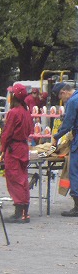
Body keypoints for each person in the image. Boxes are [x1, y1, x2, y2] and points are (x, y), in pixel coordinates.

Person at [0, 83, 34, 223]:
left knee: (15, 179)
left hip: (14, 148)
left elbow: (7, 133)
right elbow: (30, 130)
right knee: (23, 179)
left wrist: (3, 149)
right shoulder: (26, 111)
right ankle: (24, 211)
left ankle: (19, 212)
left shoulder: (14, 112)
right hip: (23, 147)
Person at [51, 82, 78, 217]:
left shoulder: (72, 101)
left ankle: (77, 207)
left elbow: (67, 124)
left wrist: (56, 137)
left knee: (75, 171)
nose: (63, 100)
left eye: (61, 97)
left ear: (64, 92)